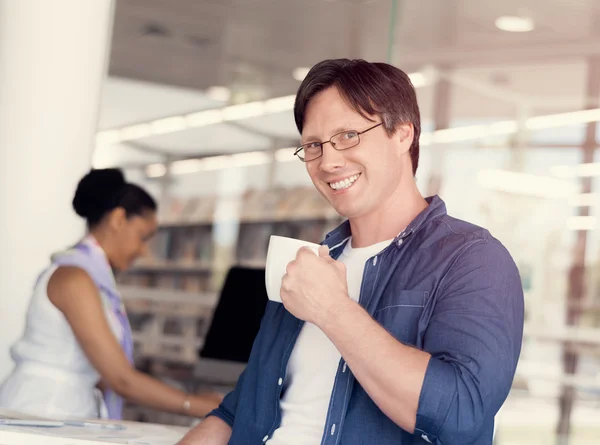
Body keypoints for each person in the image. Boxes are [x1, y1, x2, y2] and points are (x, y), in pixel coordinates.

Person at [179, 59, 524, 445]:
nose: (328, 161)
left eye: (347, 135)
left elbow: (461, 414)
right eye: (313, 145)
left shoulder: (472, 260)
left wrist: (332, 310)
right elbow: (238, 412)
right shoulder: (308, 264)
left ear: (402, 135)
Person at [0, 168, 222, 420]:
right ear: (118, 219)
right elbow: (120, 379)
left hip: (62, 411)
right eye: (143, 237)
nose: (143, 251)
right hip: (41, 410)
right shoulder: (74, 279)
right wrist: (206, 407)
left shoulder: (93, 281)